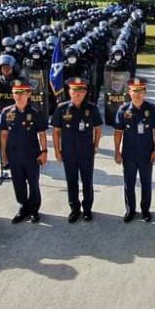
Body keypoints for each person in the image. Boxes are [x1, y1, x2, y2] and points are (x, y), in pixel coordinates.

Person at [51, 77, 102, 223]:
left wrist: (96, 145)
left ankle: (87, 209)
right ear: (69, 91)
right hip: (69, 152)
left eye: (81, 90)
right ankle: (74, 209)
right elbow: (56, 131)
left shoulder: (92, 108)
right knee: (71, 181)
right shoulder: (62, 109)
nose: (77, 94)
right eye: (74, 90)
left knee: (87, 181)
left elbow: (98, 128)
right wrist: (57, 151)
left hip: (86, 152)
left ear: (85, 92)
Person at [113, 77, 155, 222]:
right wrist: (117, 151)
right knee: (129, 183)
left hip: (146, 154)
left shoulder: (152, 109)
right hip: (129, 154)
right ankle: (130, 210)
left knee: (146, 183)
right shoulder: (123, 110)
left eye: (140, 91)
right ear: (129, 92)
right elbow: (118, 132)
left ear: (145, 92)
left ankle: (145, 210)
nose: (137, 95)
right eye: (134, 91)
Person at [0, 81, 48, 224]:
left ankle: (34, 209)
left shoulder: (35, 113)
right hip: (14, 154)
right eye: (16, 93)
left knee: (33, 182)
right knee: (18, 182)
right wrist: (3, 154)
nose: (19, 96)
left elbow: (42, 134)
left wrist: (44, 151)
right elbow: (4, 134)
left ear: (28, 94)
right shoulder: (7, 112)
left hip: (31, 155)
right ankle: (23, 207)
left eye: (22, 93)